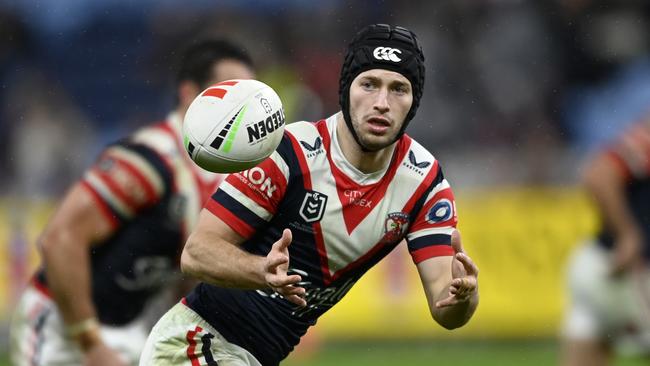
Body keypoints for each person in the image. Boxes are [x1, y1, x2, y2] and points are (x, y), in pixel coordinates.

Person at [140, 24, 480, 366]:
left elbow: (446, 309)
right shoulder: (287, 153)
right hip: (195, 343)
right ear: (346, 89)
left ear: (414, 102)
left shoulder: (425, 184)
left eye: (399, 89)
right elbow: (196, 254)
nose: (382, 103)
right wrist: (262, 272)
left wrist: (464, 297)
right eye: (369, 84)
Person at [9, 38, 256, 366]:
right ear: (188, 94)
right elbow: (59, 239)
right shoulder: (150, 160)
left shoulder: (223, 179)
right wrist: (91, 344)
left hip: (127, 328)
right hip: (62, 327)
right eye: (229, 92)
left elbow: (185, 271)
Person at [561, 120, 650, 366]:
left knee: (586, 346)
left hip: (597, 266)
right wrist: (628, 234)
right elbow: (599, 174)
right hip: (624, 271)